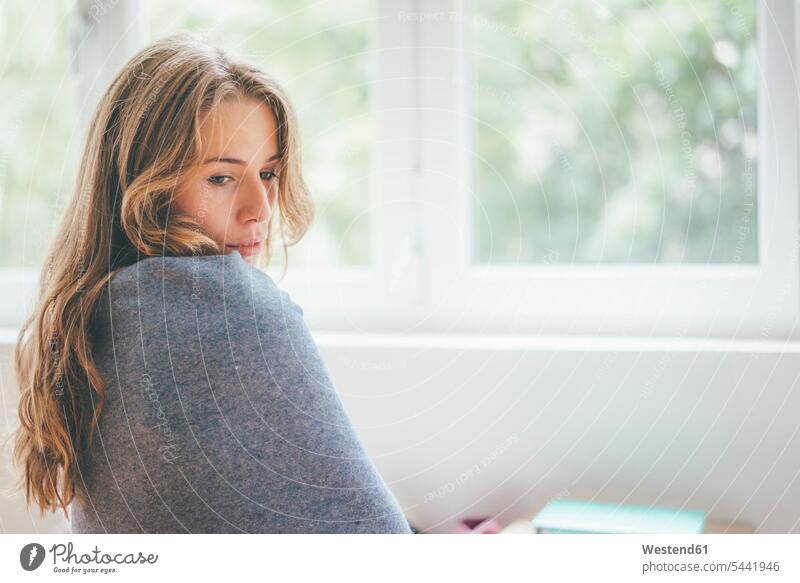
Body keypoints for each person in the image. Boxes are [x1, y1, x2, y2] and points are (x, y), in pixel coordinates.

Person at [12, 32, 412, 534]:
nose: (260, 210)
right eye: (221, 178)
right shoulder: (230, 311)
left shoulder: (89, 310)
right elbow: (383, 544)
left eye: (268, 174)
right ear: (143, 180)